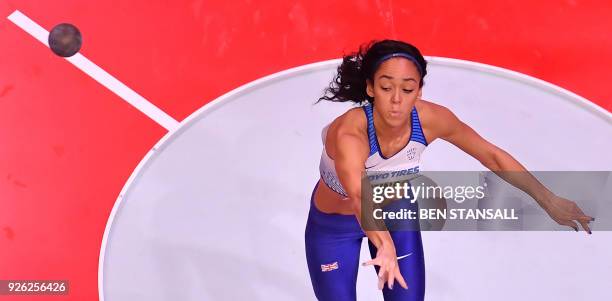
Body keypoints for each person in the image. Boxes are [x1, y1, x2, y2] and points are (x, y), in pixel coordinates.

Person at [304, 39, 594, 301]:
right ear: (370, 88)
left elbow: (492, 156)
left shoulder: (432, 120)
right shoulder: (349, 133)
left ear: (418, 90)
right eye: (386, 87)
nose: (396, 100)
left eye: (407, 89)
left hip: (396, 214)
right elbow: (358, 197)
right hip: (335, 228)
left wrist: (548, 200)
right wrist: (385, 245)